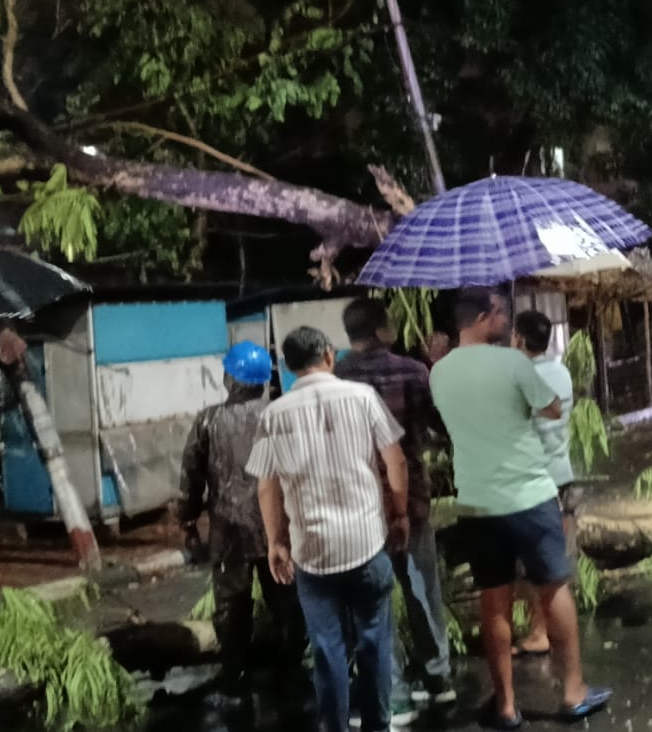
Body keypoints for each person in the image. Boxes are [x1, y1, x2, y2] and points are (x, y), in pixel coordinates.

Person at [429, 288, 610, 729]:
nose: (506, 318)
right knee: (553, 587)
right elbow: (551, 408)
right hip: (529, 496)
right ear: (482, 317)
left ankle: (506, 706)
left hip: (477, 502)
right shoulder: (513, 363)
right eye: (500, 312)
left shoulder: (439, 371)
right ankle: (573, 692)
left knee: (494, 600)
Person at [247, 327, 412, 732]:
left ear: (289, 367)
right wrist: (399, 514)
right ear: (328, 356)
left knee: (327, 650)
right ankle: (377, 724)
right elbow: (396, 460)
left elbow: (266, 485)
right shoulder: (362, 397)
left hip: (313, 555)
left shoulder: (274, 415)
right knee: (374, 641)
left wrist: (275, 541)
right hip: (366, 543)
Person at [335, 298, 455, 724]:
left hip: (360, 505)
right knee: (423, 589)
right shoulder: (413, 372)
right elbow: (441, 426)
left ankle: (396, 694)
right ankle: (438, 679)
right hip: (412, 498)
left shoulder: (337, 378)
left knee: (374, 601)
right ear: (382, 328)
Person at [178, 342, 303, 688]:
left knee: (232, 605)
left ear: (231, 379)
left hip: (228, 530)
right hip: (278, 525)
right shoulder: (280, 414)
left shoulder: (209, 420)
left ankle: (234, 676)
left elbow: (191, 475)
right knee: (286, 598)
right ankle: (292, 670)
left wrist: (188, 522)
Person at [508, 310, 577, 658]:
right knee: (557, 560)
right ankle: (553, 630)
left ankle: (539, 632)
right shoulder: (561, 373)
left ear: (519, 339)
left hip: (532, 483)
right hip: (562, 475)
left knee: (532, 563)